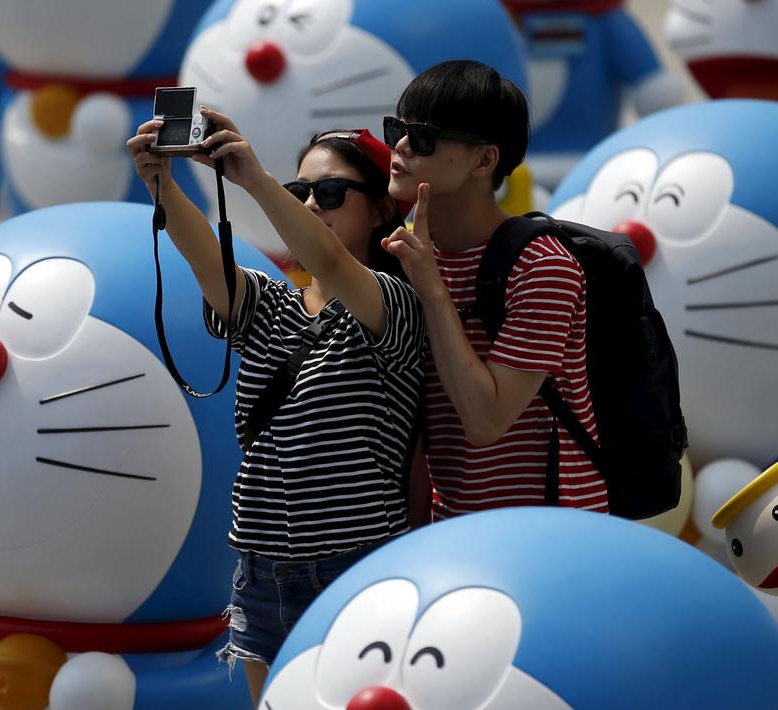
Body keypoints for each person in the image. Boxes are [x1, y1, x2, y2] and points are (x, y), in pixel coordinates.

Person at [127, 109, 425, 703]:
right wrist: (160, 181)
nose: (312, 205)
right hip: (260, 567)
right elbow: (206, 260)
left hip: (354, 561)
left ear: (382, 208)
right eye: (301, 192)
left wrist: (256, 180)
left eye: (332, 192)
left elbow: (336, 264)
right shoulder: (272, 302)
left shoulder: (394, 301)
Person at [382, 60, 609, 520]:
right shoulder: (404, 251)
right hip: (450, 524)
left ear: (485, 160)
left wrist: (433, 291)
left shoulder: (543, 266)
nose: (402, 146)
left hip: (549, 525)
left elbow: (486, 420)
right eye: (396, 129)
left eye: (423, 136)